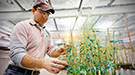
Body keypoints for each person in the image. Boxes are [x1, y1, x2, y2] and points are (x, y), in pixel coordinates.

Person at [4, 0, 71, 75]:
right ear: (33, 11)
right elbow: (16, 55)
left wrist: (57, 51)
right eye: (42, 12)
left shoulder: (47, 33)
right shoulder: (22, 26)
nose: (45, 16)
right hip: (17, 72)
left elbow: (50, 50)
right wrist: (43, 63)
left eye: (47, 14)